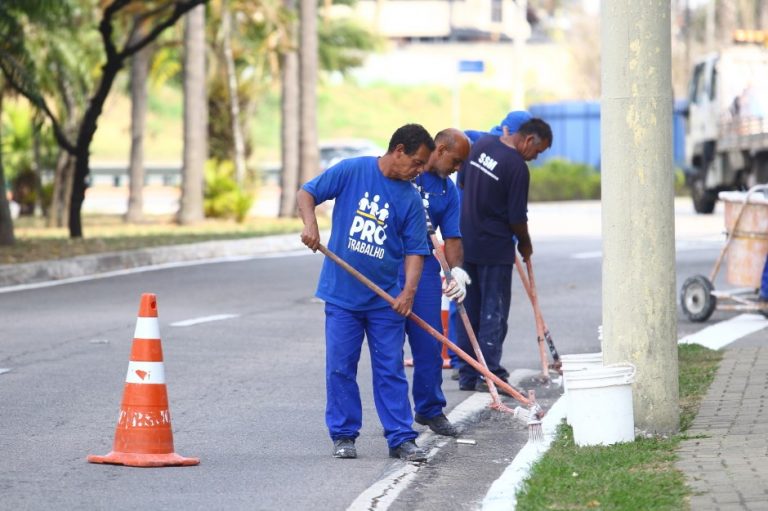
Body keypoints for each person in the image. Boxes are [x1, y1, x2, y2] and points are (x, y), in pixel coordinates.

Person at [296, 123, 436, 462]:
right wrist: (311, 224)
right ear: (399, 150)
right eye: (417, 163)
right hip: (342, 296)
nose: (419, 172)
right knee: (341, 367)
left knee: (390, 368)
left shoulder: (410, 199)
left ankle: (401, 437)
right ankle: (344, 435)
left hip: (385, 300)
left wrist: (408, 294)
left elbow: (417, 251)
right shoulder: (352, 170)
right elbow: (307, 193)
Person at [455, 118, 553, 393]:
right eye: (538, 151)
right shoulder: (516, 167)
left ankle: (468, 374)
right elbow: (516, 217)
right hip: (495, 248)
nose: (535, 157)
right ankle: (491, 373)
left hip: (467, 243)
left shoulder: (482, 145)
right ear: (529, 140)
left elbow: (461, 182)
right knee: (493, 313)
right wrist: (525, 243)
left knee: (469, 310)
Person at [400, 128, 470, 437]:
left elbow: (452, 236)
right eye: (455, 161)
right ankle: (396, 420)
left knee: (430, 341)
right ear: (439, 150)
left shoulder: (447, 190)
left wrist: (456, 272)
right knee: (387, 347)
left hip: (427, 269)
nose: (456, 169)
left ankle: (429, 409)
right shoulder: (407, 171)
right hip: (391, 265)